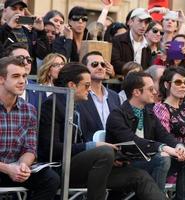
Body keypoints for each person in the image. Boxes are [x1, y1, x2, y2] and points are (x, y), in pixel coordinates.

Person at [38, 63, 166, 200]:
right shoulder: (52, 104)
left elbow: (81, 142)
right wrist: (94, 146)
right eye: (86, 85)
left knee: (139, 176)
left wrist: (114, 158)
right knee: (105, 151)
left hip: (86, 168)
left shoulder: (76, 105)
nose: (90, 89)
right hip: (60, 168)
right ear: (71, 85)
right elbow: (51, 149)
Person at [106, 71, 185, 200]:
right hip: (124, 165)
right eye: (151, 89)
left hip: (147, 162)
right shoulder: (117, 115)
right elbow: (132, 140)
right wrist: (163, 148)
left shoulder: (149, 112)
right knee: (162, 158)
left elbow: (164, 135)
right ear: (136, 92)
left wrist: (179, 146)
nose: (155, 92)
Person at [0, 56, 60, 200]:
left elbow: (30, 148)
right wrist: (8, 169)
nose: (22, 81)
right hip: (4, 168)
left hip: (15, 167)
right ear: (1, 79)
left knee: (50, 179)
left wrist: (22, 166)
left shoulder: (29, 110)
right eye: (15, 76)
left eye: (24, 76)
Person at [77, 51, 121, 140]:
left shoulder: (114, 96)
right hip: (89, 149)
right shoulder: (79, 95)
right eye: (94, 64)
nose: (100, 67)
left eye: (103, 65)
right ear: (84, 69)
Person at [0, 0, 49, 74]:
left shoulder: (29, 31)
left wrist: (41, 31)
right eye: (14, 8)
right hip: (6, 76)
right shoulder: (2, 30)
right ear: (5, 11)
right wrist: (8, 27)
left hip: (28, 78)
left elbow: (43, 55)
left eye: (21, 9)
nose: (18, 12)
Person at [111, 8, 152, 75]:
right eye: (140, 21)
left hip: (140, 83)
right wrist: (135, 69)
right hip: (122, 83)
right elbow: (115, 64)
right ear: (130, 22)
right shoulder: (117, 40)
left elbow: (147, 68)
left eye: (146, 22)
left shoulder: (147, 46)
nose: (143, 25)